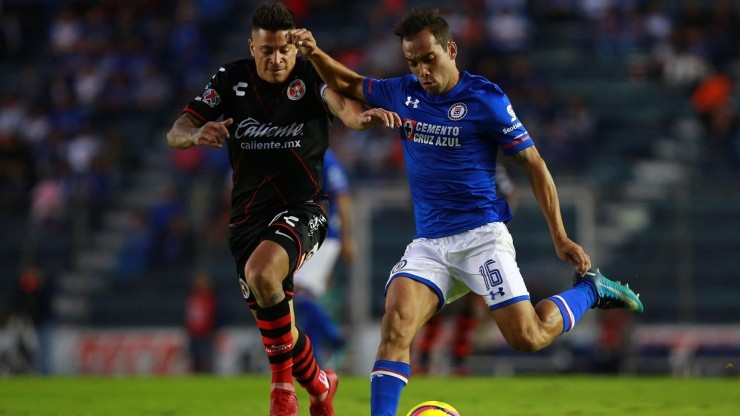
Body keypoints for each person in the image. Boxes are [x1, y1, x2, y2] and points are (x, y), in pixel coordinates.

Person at [289, 7, 644, 416]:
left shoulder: (485, 99)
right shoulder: (403, 92)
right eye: (412, 62)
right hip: (430, 244)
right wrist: (314, 53)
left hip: (481, 237)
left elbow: (534, 166)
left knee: (527, 336)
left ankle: (592, 290)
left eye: (429, 59)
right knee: (397, 324)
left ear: (451, 50)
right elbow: (348, 82)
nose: (421, 70)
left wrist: (560, 237)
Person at [165, 3, 400, 416]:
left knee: (263, 273)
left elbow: (345, 109)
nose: (276, 59)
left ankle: (282, 393)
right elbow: (176, 132)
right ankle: (322, 384)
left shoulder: (310, 77)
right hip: (247, 220)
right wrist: (198, 131)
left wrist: (366, 119)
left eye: (283, 50)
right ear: (251, 47)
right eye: (266, 50)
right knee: (283, 329)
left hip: (303, 208)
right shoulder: (230, 79)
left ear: (295, 47)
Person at [414, 162, 517, 376]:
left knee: (470, 305)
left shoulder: (494, 168)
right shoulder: (446, 159)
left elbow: (510, 195)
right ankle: (424, 358)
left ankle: (459, 360)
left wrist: (497, 224)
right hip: (445, 238)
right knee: (436, 300)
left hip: (478, 242)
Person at [293, 149, 354, 367]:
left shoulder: (326, 158)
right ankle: (313, 361)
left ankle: (334, 337)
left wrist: (347, 237)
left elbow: (343, 196)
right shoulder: (293, 152)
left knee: (299, 293)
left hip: (326, 234)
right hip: (301, 235)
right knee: (301, 298)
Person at [184, 270, 218, 373]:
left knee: (206, 359)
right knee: (194, 360)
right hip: (193, 334)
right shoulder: (192, 296)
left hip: (206, 335)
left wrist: (212, 330)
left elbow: (215, 315)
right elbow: (187, 315)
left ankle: (208, 379)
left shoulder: (210, 297)